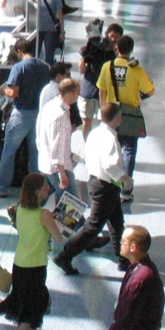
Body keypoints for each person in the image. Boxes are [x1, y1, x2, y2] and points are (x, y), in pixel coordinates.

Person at [0, 173, 64, 330]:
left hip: (21, 264)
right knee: (31, 308)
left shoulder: (20, 209)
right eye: (45, 186)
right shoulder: (44, 215)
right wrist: (58, 224)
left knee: (28, 303)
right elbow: (58, 238)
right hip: (36, 266)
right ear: (37, 191)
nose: (48, 189)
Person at [52, 103, 129, 276]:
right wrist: (125, 179)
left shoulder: (94, 133)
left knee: (116, 223)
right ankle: (65, 255)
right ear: (116, 118)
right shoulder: (110, 138)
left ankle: (123, 259)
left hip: (96, 182)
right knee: (92, 227)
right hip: (106, 186)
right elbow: (111, 165)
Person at [0, 40, 51, 198]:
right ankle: (35, 190)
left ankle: (1, 187)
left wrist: (1, 90)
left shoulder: (19, 67)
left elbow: (13, 93)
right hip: (39, 114)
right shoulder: (45, 66)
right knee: (35, 152)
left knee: (9, 151)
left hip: (21, 114)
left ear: (19, 51)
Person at [96, 35, 152, 197]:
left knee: (111, 149)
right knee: (128, 150)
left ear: (116, 49)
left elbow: (101, 90)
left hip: (111, 112)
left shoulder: (108, 66)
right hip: (130, 115)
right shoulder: (136, 69)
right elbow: (150, 90)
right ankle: (126, 188)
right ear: (131, 50)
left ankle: (109, 183)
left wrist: (103, 110)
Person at [36, 77, 79, 198]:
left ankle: (20, 210)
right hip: (59, 168)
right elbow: (58, 145)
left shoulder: (49, 106)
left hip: (47, 162)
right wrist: (62, 173)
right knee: (71, 204)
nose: (78, 98)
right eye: (77, 94)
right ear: (70, 94)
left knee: (41, 197)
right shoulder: (61, 115)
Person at [34, 0, 65, 64]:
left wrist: (62, 32)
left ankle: (48, 73)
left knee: (49, 55)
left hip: (50, 30)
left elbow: (60, 14)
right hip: (37, 29)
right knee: (35, 53)